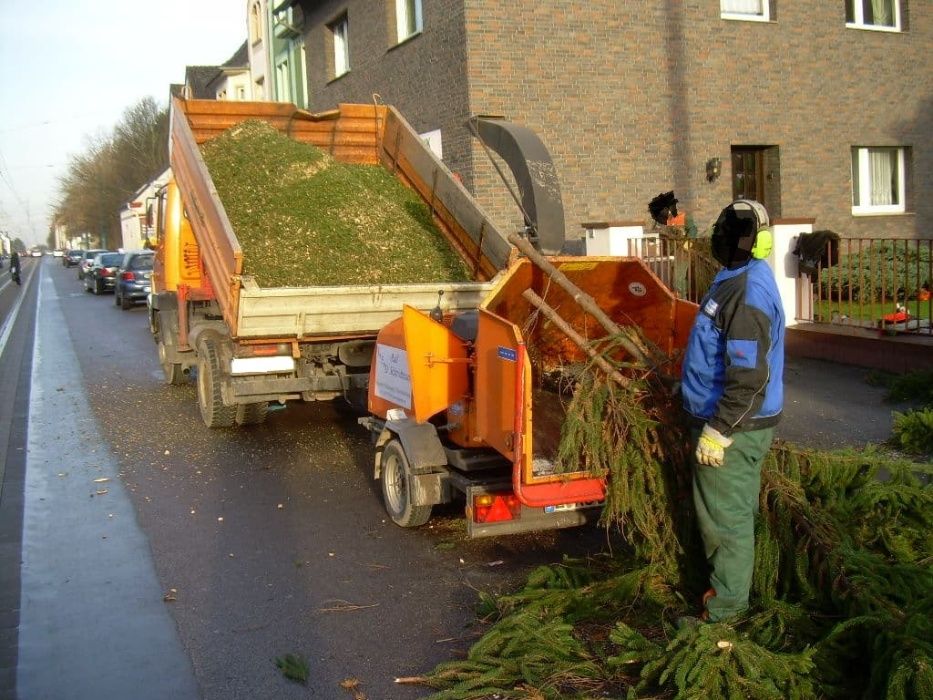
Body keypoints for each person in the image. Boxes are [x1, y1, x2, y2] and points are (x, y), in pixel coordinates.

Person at [680, 199, 785, 623]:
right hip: (720, 418)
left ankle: (725, 617)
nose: (723, 236)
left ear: (757, 242)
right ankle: (721, 593)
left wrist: (719, 430)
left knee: (727, 523)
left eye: (734, 231)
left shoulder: (747, 293)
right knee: (727, 515)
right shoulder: (734, 277)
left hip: (731, 430)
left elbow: (748, 377)